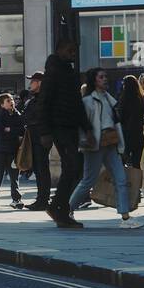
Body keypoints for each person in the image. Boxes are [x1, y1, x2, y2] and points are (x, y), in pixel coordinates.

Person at [70, 68, 142, 229]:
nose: (105, 79)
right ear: (94, 81)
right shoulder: (88, 101)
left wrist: (121, 145)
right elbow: (82, 125)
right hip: (95, 145)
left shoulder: (109, 99)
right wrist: (84, 142)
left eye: (105, 77)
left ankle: (125, 217)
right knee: (88, 180)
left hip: (110, 143)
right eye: (101, 77)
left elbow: (116, 123)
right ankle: (67, 209)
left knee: (121, 179)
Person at [38, 40, 88, 229]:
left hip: (70, 126)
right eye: (69, 50)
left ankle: (59, 208)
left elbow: (77, 103)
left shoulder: (68, 71)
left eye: (74, 50)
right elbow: (44, 102)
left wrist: (86, 127)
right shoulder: (53, 72)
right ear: (59, 50)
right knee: (73, 166)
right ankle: (58, 207)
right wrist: (45, 132)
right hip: (59, 127)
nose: (73, 53)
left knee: (74, 168)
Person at [21, 72, 52, 210]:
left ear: (39, 83)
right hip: (35, 137)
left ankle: (43, 200)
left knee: (42, 169)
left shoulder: (43, 99)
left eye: (33, 81)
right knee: (39, 169)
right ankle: (42, 199)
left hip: (40, 138)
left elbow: (40, 118)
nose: (30, 83)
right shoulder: (34, 99)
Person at [0, 92, 25, 209]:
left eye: (12, 100)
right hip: (1, 151)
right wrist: (13, 132)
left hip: (13, 151)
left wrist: (10, 130)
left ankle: (16, 199)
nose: (12, 102)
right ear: (2, 105)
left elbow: (22, 131)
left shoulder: (18, 115)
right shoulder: (0, 117)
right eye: (8, 101)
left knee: (14, 176)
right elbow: (1, 134)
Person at [116, 75, 144, 173]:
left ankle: (123, 183)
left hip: (126, 134)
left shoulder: (123, 98)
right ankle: (136, 185)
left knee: (122, 161)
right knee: (137, 163)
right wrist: (139, 122)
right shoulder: (142, 98)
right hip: (139, 134)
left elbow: (120, 118)